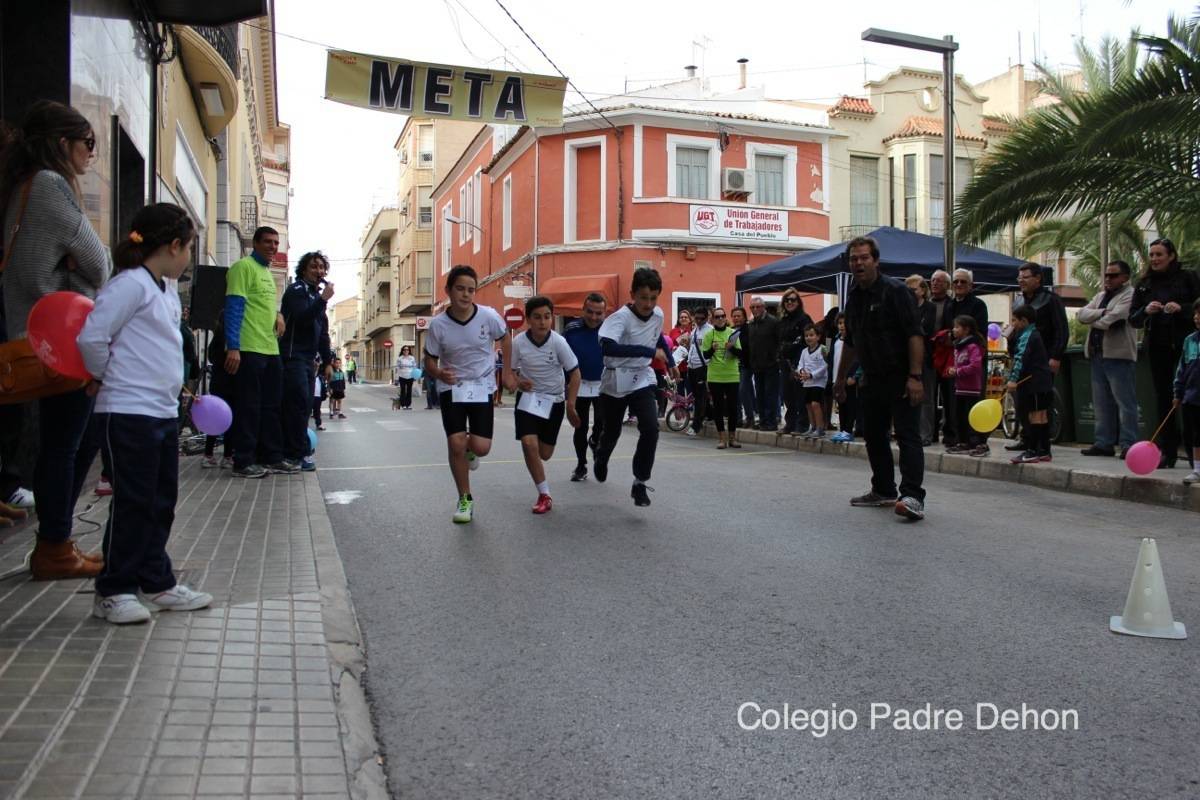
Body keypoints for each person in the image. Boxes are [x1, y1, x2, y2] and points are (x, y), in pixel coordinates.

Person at [77, 203, 212, 623]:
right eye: (189, 247)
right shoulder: (129, 285)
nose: (189, 256)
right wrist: (103, 375)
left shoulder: (165, 289)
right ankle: (113, 590)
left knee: (160, 501)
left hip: (159, 413)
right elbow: (92, 338)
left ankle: (157, 581)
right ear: (173, 246)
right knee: (133, 502)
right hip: (125, 411)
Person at [2, 100, 111, 579]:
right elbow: (100, 262)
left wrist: (76, 260)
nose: (91, 154)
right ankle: (53, 548)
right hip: (61, 341)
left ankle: (56, 539)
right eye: (87, 143)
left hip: (45, 335)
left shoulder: (26, 186)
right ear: (61, 144)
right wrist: (78, 261)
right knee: (67, 444)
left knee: (71, 441)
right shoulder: (49, 185)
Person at [842, 236, 927, 521]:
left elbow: (914, 334)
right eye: (854, 259)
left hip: (902, 376)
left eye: (864, 257)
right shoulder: (853, 296)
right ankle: (883, 489)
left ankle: (913, 496)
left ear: (876, 260)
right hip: (872, 378)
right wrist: (840, 379)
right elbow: (851, 342)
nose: (858, 263)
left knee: (907, 436)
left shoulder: (896, 291)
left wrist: (915, 377)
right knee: (873, 436)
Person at [423, 265, 513, 523]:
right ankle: (465, 499)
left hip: (481, 386)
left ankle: (472, 452)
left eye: (471, 290)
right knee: (456, 443)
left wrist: (507, 373)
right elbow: (429, 360)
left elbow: (505, 339)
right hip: (453, 387)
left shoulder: (488, 316)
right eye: (460, 289)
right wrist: (439, 374)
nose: (465, 295)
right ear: (448, 291)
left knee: (481, 447)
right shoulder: (438, 325)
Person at [592, 268, 677, 507]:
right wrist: (649, 352)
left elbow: (657, 336)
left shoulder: (657, 314)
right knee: (612, 432)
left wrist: (670, 362)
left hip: (641, 378)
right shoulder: (619, 318)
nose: (648, 304)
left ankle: (640, 482)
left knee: (651, 428)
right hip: (615, 380)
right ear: (632, 294)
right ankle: (601, 454)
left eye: (653, 298)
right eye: (643, 297)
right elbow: (608, 347)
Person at [224, 226, 295, 478]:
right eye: (267, 241)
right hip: (248, 348)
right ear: (255, 243)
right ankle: (243, 461)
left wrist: (278, 314)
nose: (273, 246)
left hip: (270, 348)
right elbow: (234, 307)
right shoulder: (242, 267)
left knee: (272, 407)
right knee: (249, 407)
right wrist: (233, 346)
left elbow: (264, 304)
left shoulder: (266, 271)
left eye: (276, 242)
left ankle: (272, 457)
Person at [1131, 238, 1200, 469]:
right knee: (1163, 398)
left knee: (1191, 397)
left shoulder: (1188, 278)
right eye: (1151, 255)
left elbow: (1197, 306)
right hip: (1157, 346)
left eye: (1159, 254)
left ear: (1171, 256)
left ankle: (1193, 453)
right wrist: (1146, 310)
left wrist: (1182, 309)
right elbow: (1133, 318)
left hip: (1186, 345)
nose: (1155, 259)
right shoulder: (1144, 284)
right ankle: (1167, 451)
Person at [510, 296, 581, 513]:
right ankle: (544, 494)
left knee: (545, 453)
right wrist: (519, 381)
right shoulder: (518, 342)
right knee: (528, 443)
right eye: (537, 317)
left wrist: (570, 405)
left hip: (554, 401)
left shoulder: (559, 342)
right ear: (528, 320)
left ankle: (539, 447)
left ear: (552, 318)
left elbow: (575, 374)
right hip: (529, 399)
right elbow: (511, 372)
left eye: (547, 317)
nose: (543, 322)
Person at [1077, 260, 1138, 458]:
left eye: (1113, 275)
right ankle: (1104, 443)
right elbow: (1081, 314)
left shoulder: (1130, 295)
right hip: (1097, 353)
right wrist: (1102, 312)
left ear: (1125, 277)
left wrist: (1095, 318)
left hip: (1118, 355)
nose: (1108, 279)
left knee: (1125, 402)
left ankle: (1129, 443)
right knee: (1102, 402)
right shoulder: (1101, 296)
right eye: (1106, 275)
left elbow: (1114, 320)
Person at [280, 251, 334, 472]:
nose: (319, 271)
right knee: (297, 405)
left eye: (322, 267)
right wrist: (322, 300)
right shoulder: (297, 290)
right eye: (314, 267)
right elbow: (302, 318)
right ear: (304, 269)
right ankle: (293, 454)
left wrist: (328, 361)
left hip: (309, 360)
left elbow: (323, 333)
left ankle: (298, 451)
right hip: (293, 356)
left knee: (306, 406)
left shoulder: (315, 296)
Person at [1007, 263, 1068, 453]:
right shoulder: (1018, 301)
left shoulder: (1050, 300)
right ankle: (1026, 438)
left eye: (1025, 277)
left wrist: (1056, 356)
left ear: (1038, 278)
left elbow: (1061, 329)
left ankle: (1041, 443)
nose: (1021, 281)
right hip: (1022, 359)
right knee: (1023, 402)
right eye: (1019, 277)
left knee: (1039, 404)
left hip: (1043, 360)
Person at [563, 292, 606, 481]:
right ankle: (581, 465)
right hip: (578, 384)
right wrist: (565, 383)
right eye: (590, 312)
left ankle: (595, 441)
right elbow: (562, 356)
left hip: (604, 384)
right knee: (579, 427)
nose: (594, 317)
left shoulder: (609, 330)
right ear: (583, 310)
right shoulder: (571, 329)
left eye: (599, 313)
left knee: (602, 425)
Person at [1007, 304, 1054, 464]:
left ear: (1024, 320)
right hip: (1042, 380)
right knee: (1041, 416)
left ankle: (1032, 450)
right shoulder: (1034, 334)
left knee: (1034, 416)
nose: (1013, 324)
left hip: (1033, 382)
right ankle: (1044, 450)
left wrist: (1013, 379)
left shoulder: (1027, 335)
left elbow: (1020, 358)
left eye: (1014, 320)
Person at [946, 315, 988, 457]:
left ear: (966, 329)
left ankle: (979, 443)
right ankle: (963, 441)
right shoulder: (958, 345)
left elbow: (975, 366)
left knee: (973, 417)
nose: (954, 329)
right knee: (960, 416)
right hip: (960, 387)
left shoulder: (973, 346)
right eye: (954, 326)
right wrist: (953, 370)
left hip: (972, 389)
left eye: (957, 327)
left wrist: (958, 371)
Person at [919, 270, 953, 447]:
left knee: (948, 396)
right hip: (930, 356)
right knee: (928, 396)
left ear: (947, 285)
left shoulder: (951, 304)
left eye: (939, 281)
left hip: (947, 355)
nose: (935, 283)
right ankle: (929, 433)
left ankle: (949, 432)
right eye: (932, 280)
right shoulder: (926, 304)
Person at [701, 307, 741, 449]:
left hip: (732, 375)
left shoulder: (733, 333)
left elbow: (740, 353)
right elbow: (705, 355)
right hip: (715, 376)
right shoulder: (708, 335)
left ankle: (732, 437)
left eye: (722, 316)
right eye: (717, 317)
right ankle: (721, 438)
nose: (720, 319)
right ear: (712, 320)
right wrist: (712, 349)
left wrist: (731, 348)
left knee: (732, 408)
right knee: (718, 407)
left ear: (725, 318)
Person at [777, 288, 812, 435]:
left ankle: (802, 425)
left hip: (800, 362)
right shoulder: (783, 321)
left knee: (800, 396)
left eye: (793, 300)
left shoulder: (804, 319)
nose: (790, 302)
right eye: (787, 300)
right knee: (787, 395)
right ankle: (790, 423)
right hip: (785, 363)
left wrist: (791, 348)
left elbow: (806, 341)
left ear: (799, 302)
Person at [1172, 298, 1200, 483]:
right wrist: (1178, 393)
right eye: (1196, 313)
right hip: (1192, 397)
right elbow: (1181, 369)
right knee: (1195, 435)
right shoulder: (1190, 341)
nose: (1197, 317)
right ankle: (1197, 469)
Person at [201, 320, 234, 468]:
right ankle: (227, 456)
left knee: (215, 420)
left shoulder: (217, 339)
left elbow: (211, 357)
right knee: (229, 420)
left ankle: (208, 454)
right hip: (230, 383)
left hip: (218, 384)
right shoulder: (233, 340)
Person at [746, 296, 780, 431]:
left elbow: (779, 341)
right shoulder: (752, 324)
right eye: (752, 307)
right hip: (756, 365)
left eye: (757, 307)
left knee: (770, 394)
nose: (755, 309)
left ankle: (771, 422)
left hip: (771, 365)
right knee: (759, 394)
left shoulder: (773, 322)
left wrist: (776, 358)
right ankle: (763, 421)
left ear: (763, 307)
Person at [794, 324, 828, 439]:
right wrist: (801, 371)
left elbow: (825, 366)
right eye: (806, 335)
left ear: (818, 336)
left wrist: (812, 375)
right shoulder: (804, 351)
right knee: (808, 405)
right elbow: (800, 364)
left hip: (818, 382)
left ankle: (820, 428)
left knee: (815, 404)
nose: (809, 338)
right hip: (806, 382)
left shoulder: (823, 348)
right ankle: (812, 426)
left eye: (812, 335)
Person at [829, 313, 858, 443]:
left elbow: (857, 360)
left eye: (844, 323)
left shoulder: (854, 341)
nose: (842, 326)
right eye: (840, 323)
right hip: (837, 378)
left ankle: (848, 429)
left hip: (849, 379)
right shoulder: (835, 340)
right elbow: (832, 359)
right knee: (841, 404)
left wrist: (853, 375)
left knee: (850, 404)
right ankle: (842, 429)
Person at [685, 306, 712, 437]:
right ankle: (708, 416)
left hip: (703, 366)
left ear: (707, 318)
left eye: (702, 318)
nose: (700, 320)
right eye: (697, 318)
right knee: (697, 395)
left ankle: (696, 425)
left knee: (700, 397)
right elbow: (692, 348)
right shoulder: (694, 330)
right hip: (692, 366)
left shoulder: (710, 331)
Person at [730, 307, 756, 429]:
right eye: (734, 316)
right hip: (734, 365)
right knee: (739, 391)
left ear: (744, 317)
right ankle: (738, 418)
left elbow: (745, 350)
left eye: (738, 316)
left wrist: (731, 349)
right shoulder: (732, 331)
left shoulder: (748, 330)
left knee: (743, 390)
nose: (736, 318)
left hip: (746, 364)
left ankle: (750, 417)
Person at [395, 345, 417, 410]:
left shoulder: (412, 358)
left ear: (409, 351)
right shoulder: (400, 358)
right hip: (402, 376)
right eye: (404, 350)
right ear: (402, 351)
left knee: (409, 391)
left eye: (407, 350)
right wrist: (396, 378)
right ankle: (403, 404)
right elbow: (397, 368)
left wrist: (415, 376)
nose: (406, 351)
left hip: (410, 376)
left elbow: (414, 367)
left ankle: (408, 404)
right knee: (403, 391)